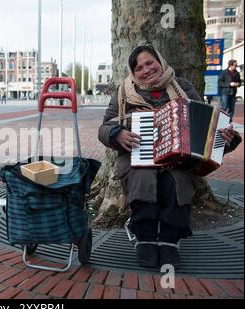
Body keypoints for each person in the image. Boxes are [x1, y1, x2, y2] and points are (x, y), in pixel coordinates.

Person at [98, 45, 241, 269]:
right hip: (137, 156)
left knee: (177, 180)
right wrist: (117, 133)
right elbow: (105, 127)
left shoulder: (183, 87)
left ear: (160, 61)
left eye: (149, 63)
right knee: (143, 178)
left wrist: (225, 138)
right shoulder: (124, 92)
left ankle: (169, 240)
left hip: (179, 159)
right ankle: (144, 237)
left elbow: (205, 126)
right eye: (138, 68)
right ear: (133, 72)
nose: (145, 70)